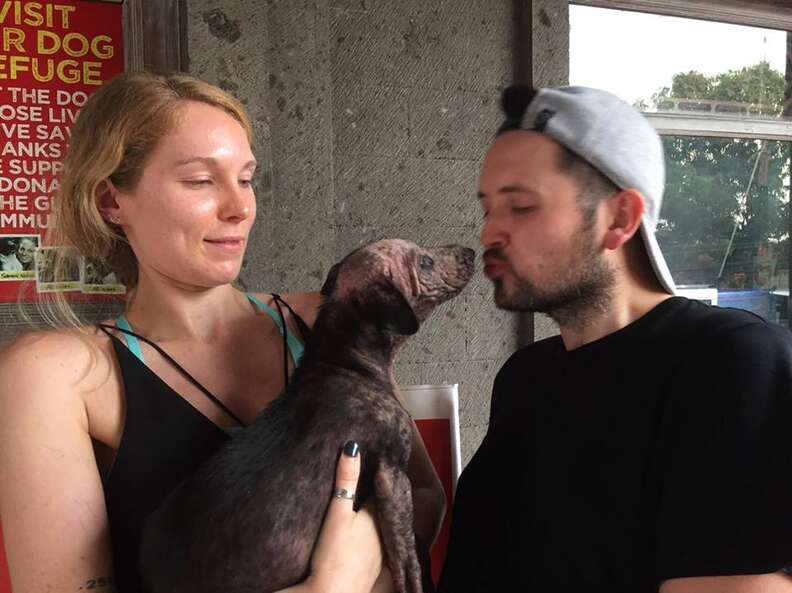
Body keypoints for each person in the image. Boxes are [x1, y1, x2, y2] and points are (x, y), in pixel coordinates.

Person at [0, 72, 445, 593]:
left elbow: (424, 494)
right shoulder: (59, 375)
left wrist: (359, 552)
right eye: (200, 181)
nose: (239, 208)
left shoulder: (324, 320)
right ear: (111, 202)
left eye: (247, 178)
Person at [438, 85, 792, 593]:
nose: (489, 232)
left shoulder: (730, 363)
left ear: (620, 218)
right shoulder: (526, 377)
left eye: (520, 207)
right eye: (487, 208)